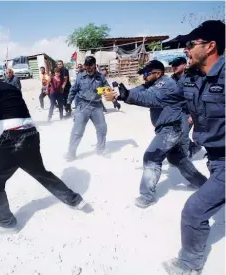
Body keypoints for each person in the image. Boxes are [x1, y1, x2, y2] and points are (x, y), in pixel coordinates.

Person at [0, 70, 88, 232]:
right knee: (41, 173)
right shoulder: (9, 88)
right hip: (31, 134)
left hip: (12, 138)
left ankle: (6, 222)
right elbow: (3, 110)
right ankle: (74, 200)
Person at [162, 20, 225, 275]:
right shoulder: (192, 78)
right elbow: (162, 96)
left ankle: (189, 266)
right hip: (215, 157)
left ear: (210, 47)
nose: (186, 49)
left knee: (194, 211)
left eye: (190, 44)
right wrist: (125, 95)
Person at [104, 60, 207, 208]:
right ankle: (202, 184)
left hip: (172, 128)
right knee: (177, 158)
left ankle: (147, 196)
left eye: (146, 74)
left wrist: (126, 96)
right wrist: (120, 95)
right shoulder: (153, 83)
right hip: (174, 127)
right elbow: (139, 90)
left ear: (158, 73)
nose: (144, 77)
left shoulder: (165, 85)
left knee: (151, 157)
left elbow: (151, 98)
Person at [65, 56, 109, 161]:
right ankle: (71, 154)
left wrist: (114, 100)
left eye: (90, 66)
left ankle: (100, 150)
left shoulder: (100, 77)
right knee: (77, 131)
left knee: (102, 129)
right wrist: (68, 102)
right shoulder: (80, 76)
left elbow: (107, 89)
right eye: (86, 66)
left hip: (97, 106)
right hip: (83, 106)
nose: (88, 68)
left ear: (95, 65)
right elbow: (73, 89)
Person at [169, 56, 202, 158]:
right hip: (178, 111)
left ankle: (184, 156)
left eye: (177, 65)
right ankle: (193, 147)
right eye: (173, 65)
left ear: (184, 65)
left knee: (183, 134)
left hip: (190, 111)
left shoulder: (192, 77)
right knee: (177, 133)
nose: (174, 67)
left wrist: (193, 115)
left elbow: (199, 96)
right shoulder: (172, 79)